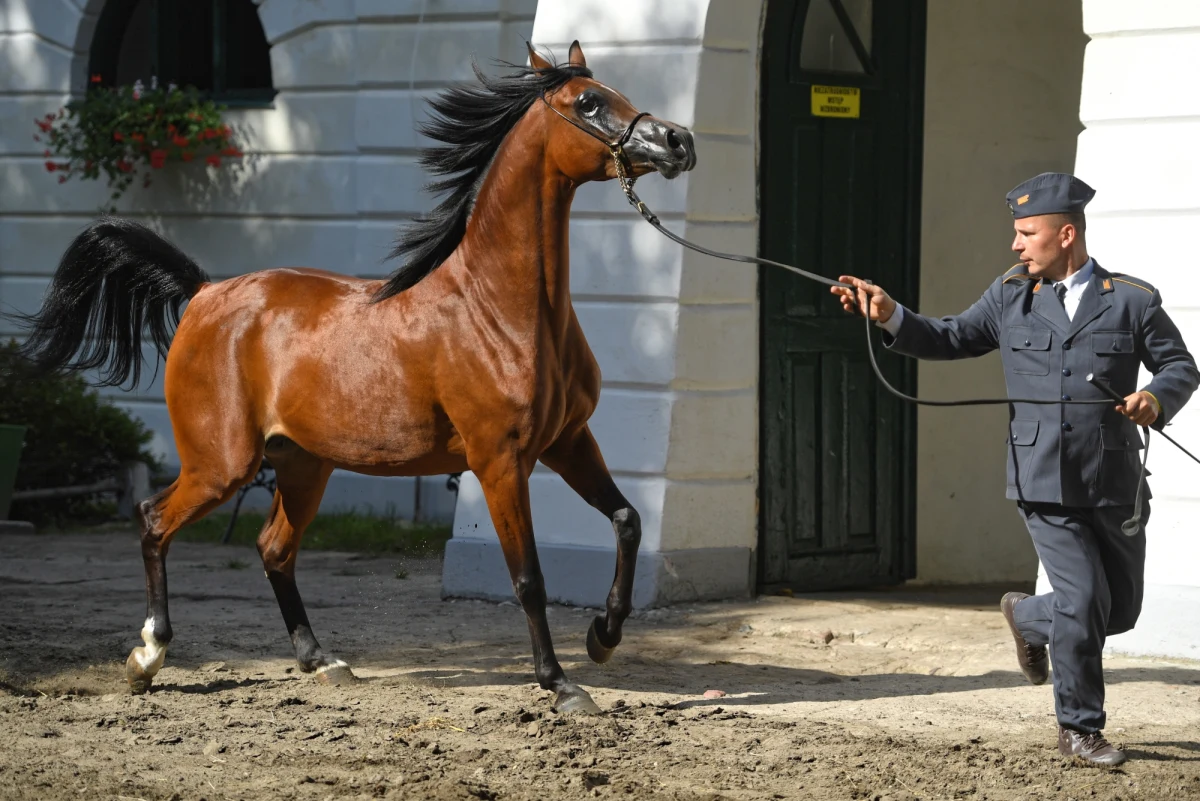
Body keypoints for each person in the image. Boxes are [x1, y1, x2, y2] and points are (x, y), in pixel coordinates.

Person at [831, 172, 1200, 766]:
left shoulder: (1132, 299)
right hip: (1044, 477)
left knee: (1118, 610)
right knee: (1082, 602)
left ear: (1067, 233)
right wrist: (890, 314)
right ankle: (1080, 729)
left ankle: (1028, 616)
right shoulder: (1010, 295)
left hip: (1113, 480)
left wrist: (1155, 398)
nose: (1016, 244)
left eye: (1027, 233)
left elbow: (1179, 364)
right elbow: (949, 337)